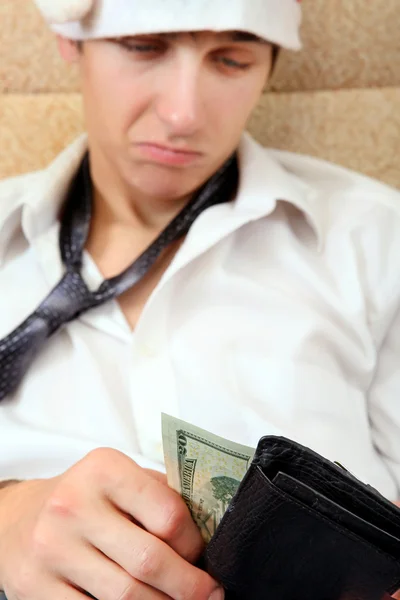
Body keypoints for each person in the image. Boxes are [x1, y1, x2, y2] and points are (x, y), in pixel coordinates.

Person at [0, 0, 399, 598]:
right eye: (144, 47)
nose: (183, 114)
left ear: (270, 67)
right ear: (70, 42)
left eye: (232, 59)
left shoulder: (375, 237)